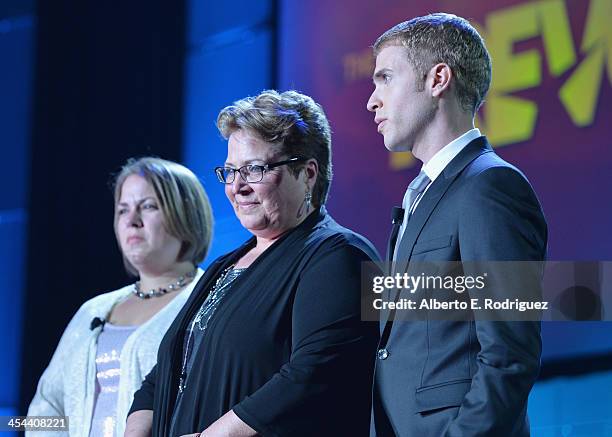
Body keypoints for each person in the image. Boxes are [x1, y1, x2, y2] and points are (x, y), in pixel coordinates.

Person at [126, 90, 379, 437]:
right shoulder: (222, 267)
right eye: (230, 171)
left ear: (307, 174)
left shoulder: (341, 256)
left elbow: (314, 375)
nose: (237, 187)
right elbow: (168, 370)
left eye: (255, 169)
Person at [366, 13, 548, 436]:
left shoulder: (491, 185)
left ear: (438, 79)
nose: (371, 101)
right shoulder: (422, 193)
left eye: (385, 78)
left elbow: (510, 354)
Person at [28, 157, 214, 437]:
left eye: (148, 206)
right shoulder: (93, 310)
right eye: (122, 210)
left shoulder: (210, 303)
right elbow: (46, 408)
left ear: (186, 215)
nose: (132, 221)